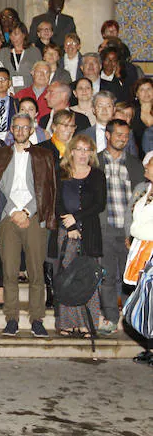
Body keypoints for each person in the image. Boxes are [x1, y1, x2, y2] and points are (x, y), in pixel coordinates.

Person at [0, 113, 57, 337]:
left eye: (25, 127)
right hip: (8, 218)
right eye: (16, 127)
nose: (20, 131)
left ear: (32, 130)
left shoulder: (43, 155)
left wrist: (27, 210)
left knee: (36, 272)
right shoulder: (0, 155)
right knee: (9, 271)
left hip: (34, 216)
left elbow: (46, 188)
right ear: (11, 129)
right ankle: (11, 319)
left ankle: (37, 319)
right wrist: (13, 211)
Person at [53, 134, 106, 337]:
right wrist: (69, 224)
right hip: (66, 232)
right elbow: (56, 201)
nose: (83, 154)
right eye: (79, 149)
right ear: (72, 151)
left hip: (89, 232)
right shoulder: (61, 172)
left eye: (87, 150)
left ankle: (88, 323)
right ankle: (67, 322)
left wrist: (75, 218)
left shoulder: (97, 175)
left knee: (88, 278)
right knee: (67, 277)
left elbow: (99, 204)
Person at [97, 119, 145, 335]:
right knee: (106, 277)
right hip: (104, 229)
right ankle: (110, 318)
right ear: (107, 135)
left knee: (131, 278)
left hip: (130, 233)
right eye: (118, 135)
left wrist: (134, 232)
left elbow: (142, 199)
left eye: (126, 136)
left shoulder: (135, 165)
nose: (122, 139)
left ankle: (131, 319)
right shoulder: (96, 162)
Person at [125, 152, 153, 364]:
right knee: (146, 304)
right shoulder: (146, 190)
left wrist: (136, 230)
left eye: (149, 163)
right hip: (142, 250)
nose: (146, 166)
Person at [1, 22, 41, 90]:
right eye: (10, 34)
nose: (13, 37)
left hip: (29, 90)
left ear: (24, 34)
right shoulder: (4, 52)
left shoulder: (34, 51)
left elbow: (39, 71)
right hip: (9, 91)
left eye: (16, 34)